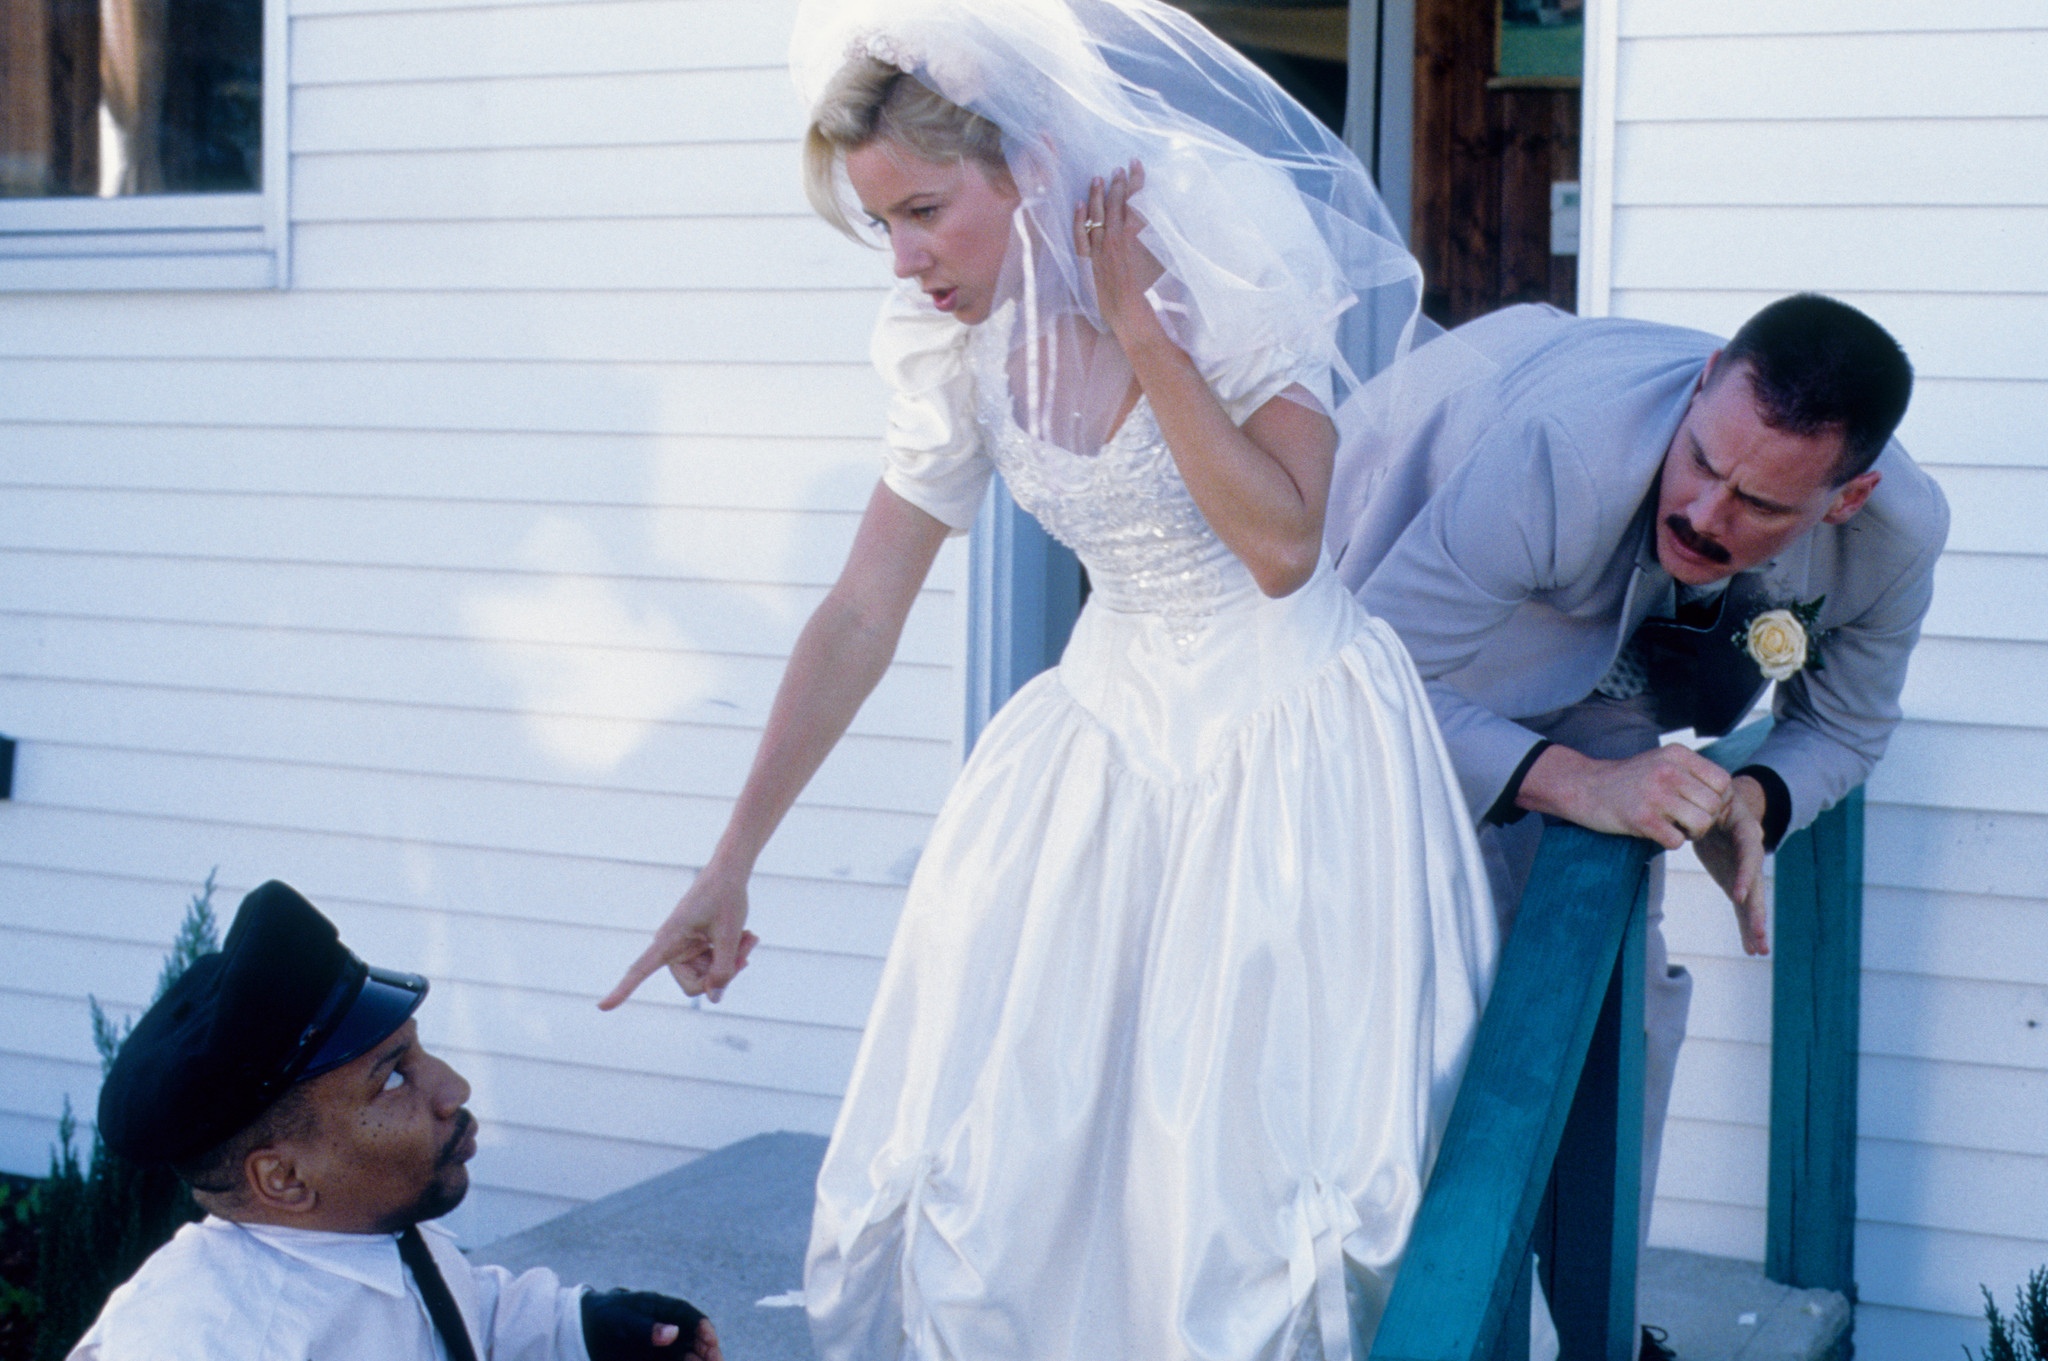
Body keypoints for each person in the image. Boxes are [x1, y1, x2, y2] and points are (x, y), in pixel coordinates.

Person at [600, 1, 1499, 1357]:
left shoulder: (1221, 251)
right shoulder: (955, 344)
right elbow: (860, 609)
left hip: (1291, 747)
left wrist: (1147, 333)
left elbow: (1281, 547)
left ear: (1027, 161)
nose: (907, 261)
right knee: (1024, 1154)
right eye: (881, 225)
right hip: (1105, 740)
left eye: (924, 211)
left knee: (1262, 1188)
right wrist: (733, 859)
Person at [1325, 294, 1947, 1351]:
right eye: (1700, 462)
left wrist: (1753, 798)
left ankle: (1585, 1320)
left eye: (1758, 503)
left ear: (1848, 499)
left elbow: (1843, 722)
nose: (1706, 514)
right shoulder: (1559, 446)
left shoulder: (1896, 537)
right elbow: (1361, 679)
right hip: (1389, 615)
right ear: (1700, 381)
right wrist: (1571, 781)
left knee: (1627, 1008)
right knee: (1403, 992)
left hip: (1606, 686)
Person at [72, 879, 723, 1361]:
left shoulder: (359, 1233)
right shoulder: (209, 1341)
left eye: (416, 1050)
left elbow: (456, 1308)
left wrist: (580, 1325)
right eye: (390, 1076)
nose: (453, 1087)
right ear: (283, 1177)